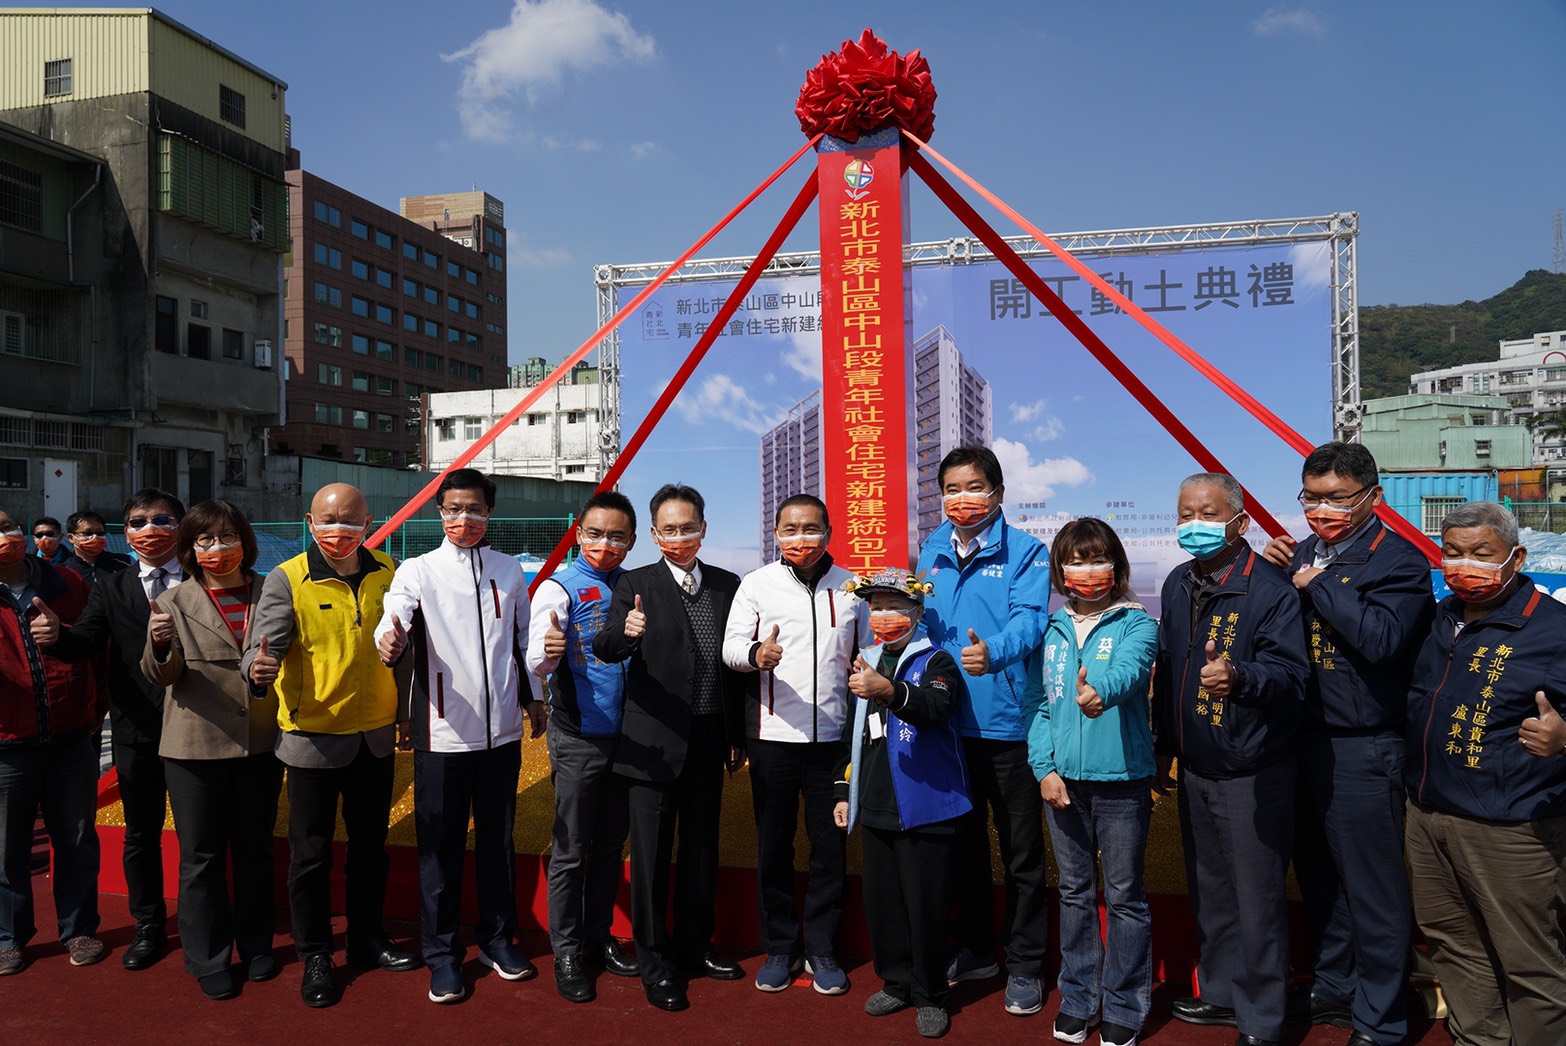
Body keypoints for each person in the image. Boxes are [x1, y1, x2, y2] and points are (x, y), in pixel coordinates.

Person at [1260, 442, 1435, 1046]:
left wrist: (1318, 584)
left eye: (1337, 498)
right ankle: (1335, 986)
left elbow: (1382, 640)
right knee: (1320, 878)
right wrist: (1277, 570)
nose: (1321, 510)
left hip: (1366, 746)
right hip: (1298, 739)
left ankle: (1381, 1019)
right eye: (1312, 497)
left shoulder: (1401, 561)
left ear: (1373, 498)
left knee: (1374, 888)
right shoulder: (1299, 551)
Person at [243, 483, 418, 1008]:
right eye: (327, 520)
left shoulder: (391, 571)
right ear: (309, 520)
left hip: (375, 737)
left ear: (370, 521)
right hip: (311, 740)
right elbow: (263, 642)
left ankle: (367, 937)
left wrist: (404, 714)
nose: (338, 530)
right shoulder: (287, 577)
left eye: (349, 521)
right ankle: (316, 951)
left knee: (370, 849)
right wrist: (257, 666)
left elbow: (407, 650)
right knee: (311, 855)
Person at [375, 468, 546, 1005]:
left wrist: (534, 695)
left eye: (474, 509)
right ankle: (443, 954)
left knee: (497, 840)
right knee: (440, 849)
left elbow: (522, 640)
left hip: (501, 737)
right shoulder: (418, 570)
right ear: (439, 513)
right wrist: (390, 637)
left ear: (489, 513)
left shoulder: (509, 571)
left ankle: (498, 939)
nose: (463, 519)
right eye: (452, 509)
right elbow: (394, 617)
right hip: (442, 732)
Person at [1403, 501, 1566, 1046]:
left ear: (1515, 557)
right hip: (1428, 816)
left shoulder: (1553, 628)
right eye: (1453, 553)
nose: (1464, 564)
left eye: (1481, 554)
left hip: (1510, 828)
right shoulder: (1439, 616)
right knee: (1453, 945)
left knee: (1530, 964)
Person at [1154, 472, 1308, 1046]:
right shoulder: (1175, 583)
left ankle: (1263, 1019)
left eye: (1207, 513)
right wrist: (1163, 749)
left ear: (1239, 522)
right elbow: (1168, 671)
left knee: (1257, 898)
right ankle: (1219, 994)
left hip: (1252, 766)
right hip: (1196, 764)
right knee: (1211, 890)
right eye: (1184, 513)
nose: (1193, 524)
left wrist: (1239, 676)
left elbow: (1293, 675)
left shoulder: (1269, 589)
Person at [593, 483, 748, 1012]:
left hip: (709, 737)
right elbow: (605, 646)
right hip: (652, 743)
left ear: (704, 529)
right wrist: (628, 632)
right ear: (653, 535)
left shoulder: (731, 585)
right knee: (653, 858)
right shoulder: (635, 584)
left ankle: (695, 947)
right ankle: (654, 964)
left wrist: (736, 736)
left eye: (689, 528)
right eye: (669, 530)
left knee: (702, 850)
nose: (679, 538)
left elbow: (738, 667)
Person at [913, 445, 1050, 1016]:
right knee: (961, 849)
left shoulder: (1027, 551)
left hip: (1007, 726)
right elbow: (916, 618)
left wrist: (991, 653)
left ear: (997, 492)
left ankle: (1024, 965)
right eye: (951, 489)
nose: (961, 499)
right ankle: (974, 949)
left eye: (973, 487)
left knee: (1021, 853)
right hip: (945, 725)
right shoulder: (931, 549)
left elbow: (1031, 621)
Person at [138, 499, 282, 1001]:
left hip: (261, 742)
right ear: (191, 550)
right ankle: (207, 956)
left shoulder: (272, 592)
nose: (217, 548)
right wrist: (159, 645)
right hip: (194, 745)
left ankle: (258, 944)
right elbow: (161, 675)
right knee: (200, 857)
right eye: (205, 540)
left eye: (227, 536)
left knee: (254, 851)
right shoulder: (174, 600)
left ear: (245, 539)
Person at [722, 494, 862, 995]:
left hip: (832, 741)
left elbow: (866, 654)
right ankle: (780, 946)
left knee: (829, 848)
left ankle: (822, 948)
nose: (800, 538)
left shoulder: (851, 588)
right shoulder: (757, 584)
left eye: (810, 528)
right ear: (776, 534)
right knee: (774, 845)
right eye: (789, 529)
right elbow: (731, 647)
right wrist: (757, 652)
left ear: (828, 530)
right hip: (773, 737)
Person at [44, 488, 186, 971]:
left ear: (181, 526)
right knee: (141, 834)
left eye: (162, 520)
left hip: (200, 728)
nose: (150, 530)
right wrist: (57, 637)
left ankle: (202, 919)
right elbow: (85, 641)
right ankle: (148, 924)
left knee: (201, 834)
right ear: (126, 533)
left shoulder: (206, 578)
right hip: (135, 727)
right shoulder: (113, 585)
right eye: (138, 522)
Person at [1028, 519, 1157, 1046]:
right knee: (1075, 894)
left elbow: (1131, 671)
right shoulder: (1053, 628)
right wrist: (1045, 768)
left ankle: (1125, 1002)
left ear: (1117, 566)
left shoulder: (1137, 622)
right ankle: (1079, 997)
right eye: (1075, 560)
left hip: (1122, 781)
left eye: (1097, 558)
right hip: (1063, 787)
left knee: (1125, 897)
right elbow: (1040, 706)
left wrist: (1100, 690)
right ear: (1060, 570)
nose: (1086, 570)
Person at [833, 567, 970, 1040]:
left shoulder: (938, 663)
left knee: (926, 905)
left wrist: (889, 691)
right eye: (878, 606)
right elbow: (850, 735)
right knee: (884, 903)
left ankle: (931, 993)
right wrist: (842, 790)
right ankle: (896, 981)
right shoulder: (866, 659)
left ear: (917, 612)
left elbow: (935, 709)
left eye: (896, 606)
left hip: (927, 805)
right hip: (874, 801)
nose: (885, 615)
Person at [527, 490, 642, 1002]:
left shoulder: (635, 586)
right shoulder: (560, 587)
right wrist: (547, 652)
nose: (604, 545)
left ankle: (598, 938)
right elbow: (537, 655)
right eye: (595, 534)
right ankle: (567, 949)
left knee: (610, 845)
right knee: (572, 849)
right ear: (578, 533)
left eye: (617, 537)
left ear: (632, 541)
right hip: (578, 736)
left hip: (631, 738)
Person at [0, 507, 103, 974]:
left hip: (71, 739)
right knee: (6, 848)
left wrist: (92, 711)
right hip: (6, 746)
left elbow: (97, 647)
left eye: (6, 526)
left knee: (77, 839)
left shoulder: (67, 583)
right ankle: (9, 936)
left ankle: (79, 928)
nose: (5, 537)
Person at [60, 511, 132, 588]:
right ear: (71, 538)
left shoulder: (126, 563)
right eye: (87, 533)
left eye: (100, 533)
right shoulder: (64, 571)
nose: (95, 537)